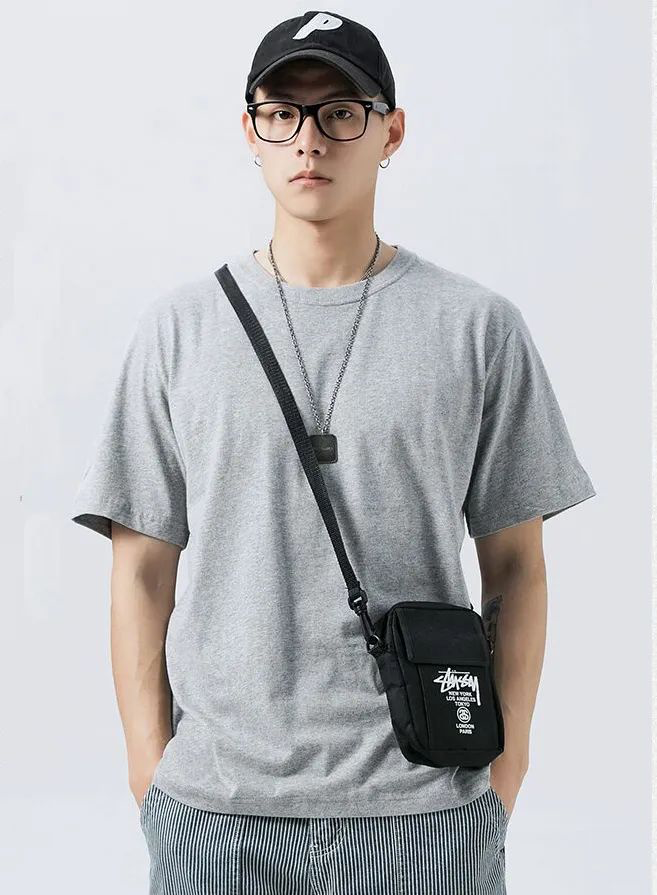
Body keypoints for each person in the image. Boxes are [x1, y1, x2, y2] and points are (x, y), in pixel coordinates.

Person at [70, 10, 596, 894]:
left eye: (340, 112)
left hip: (427, 813)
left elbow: (516, 566)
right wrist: (148, 771)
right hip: (215, 817)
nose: (308, 140)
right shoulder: (179, 331)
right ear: (250, 132)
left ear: (392, 131)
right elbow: (140, 569)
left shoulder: (476, 328)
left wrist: (502, 780)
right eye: (282, 113)